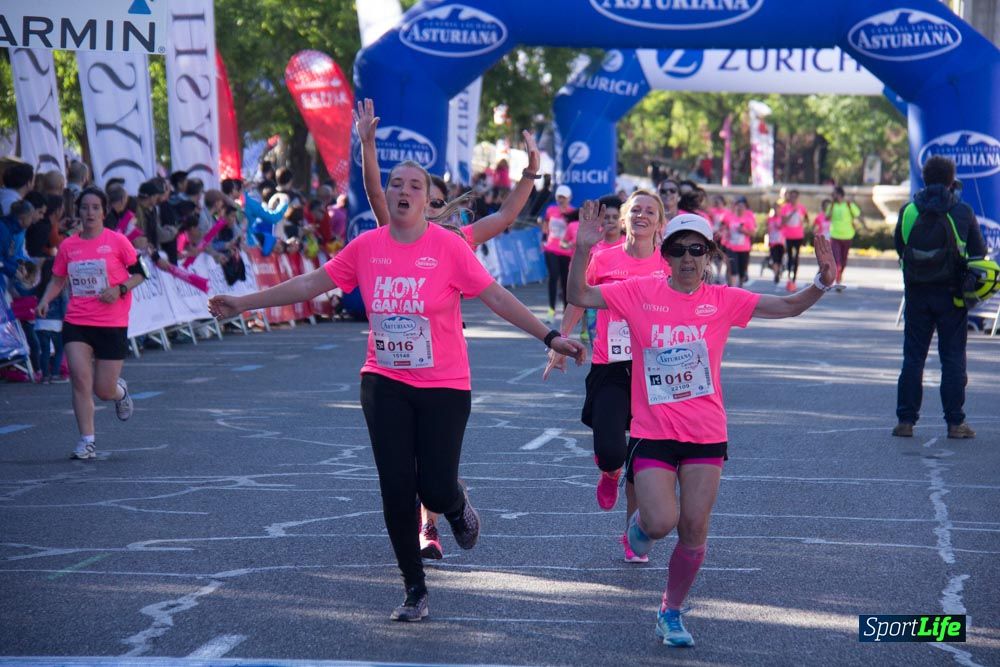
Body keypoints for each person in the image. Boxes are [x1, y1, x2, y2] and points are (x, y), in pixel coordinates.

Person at [209, 103, 586, 623]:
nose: (405, 191)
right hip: (383, 381)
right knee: (395, 488)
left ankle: (453, 505)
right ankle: (414, 587)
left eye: (415, 184)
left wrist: (549, 335)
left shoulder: (451, 246)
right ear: (387, 196)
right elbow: (310, 283)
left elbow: (497, 296)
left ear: (428, 197)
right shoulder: (368, 246)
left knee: (433, 485)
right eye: (396, 183)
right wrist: (244, 302)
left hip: (444, 384)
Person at [568, 204, 837, 648]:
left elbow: (789, 306)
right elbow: (579, 293)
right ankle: (639, 529)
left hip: (706, 434)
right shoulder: (638, 292)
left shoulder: (722, 300)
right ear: (666, 255)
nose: (688, 258)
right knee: (659, 521)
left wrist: (821, 282)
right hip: (654, 432)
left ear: (709, 254)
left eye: (697, 249)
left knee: (693, 528)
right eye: (678, 250)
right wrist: (582, 249)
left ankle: (670, 611)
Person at [543, 190, 670, 563]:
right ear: (626, 218)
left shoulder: (668, 264)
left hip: (655, 368)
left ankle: (634, 531)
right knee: (612, 450)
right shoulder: (603, 258)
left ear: (660, 223)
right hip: (610, 366)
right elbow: (579, 297)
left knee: (642, 459)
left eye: (651, 211)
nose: (642, 216)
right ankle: (608, 471)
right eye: (636, 210)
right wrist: (560, 341)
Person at [37, 187, 145, 460]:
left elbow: (140, 275)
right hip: (78, 320)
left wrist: (119, 289)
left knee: (103, 389)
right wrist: (46, 300)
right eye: (85, 207)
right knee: (80, 379)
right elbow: (58, 279)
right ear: (78, 211)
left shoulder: (118, 241)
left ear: (104, 211)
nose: (90, 213)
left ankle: (119, 392)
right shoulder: (68, 245)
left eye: (95, 207)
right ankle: (87, 440)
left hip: (112, 322)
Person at [892, 156, 986, 440]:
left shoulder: (908, 211)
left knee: (913, 358)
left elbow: (900, 248)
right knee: (953, 359)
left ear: (924, 178)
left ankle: (906, 421)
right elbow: (979, 254)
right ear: (951, 180)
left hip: (917, 295)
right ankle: (955, 423)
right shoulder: (962, 211)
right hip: (952, 297)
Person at [540, 184, 577, 323]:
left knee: (565, 280)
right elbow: (545, 223)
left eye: (564, 198)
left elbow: (575, 230)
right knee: (553, 276)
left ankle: (567, 311)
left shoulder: (573, 212)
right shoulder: (551, 210)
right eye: (559, 197)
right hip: (550, 248)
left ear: (569, 198)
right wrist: (544, 237)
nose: (561, 200)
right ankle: (551, 310)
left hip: (566, 251)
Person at [826, 186, 862, 288]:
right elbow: (827, 217)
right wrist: (831, 206)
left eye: (834, 194)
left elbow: (857, 214)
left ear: (840, 194)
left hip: (847, 235)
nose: (832, 196)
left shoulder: (848, 204)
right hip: (835, 235)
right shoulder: (832, 205)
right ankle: (837, 278)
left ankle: (840, 275)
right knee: (837, 258)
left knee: (843, 259)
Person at [780, 189, 809, 291]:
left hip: (798, 236)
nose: (793, 199)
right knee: (789, 256)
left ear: (797, 198)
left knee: (796, 256)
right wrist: (792, 213)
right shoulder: (785, 208)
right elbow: (783, 222)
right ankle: (788, 276)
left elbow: (806, 219)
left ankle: (794, 278)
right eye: (791, 197)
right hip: (788, 235)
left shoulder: (802, 208)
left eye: (795, 197)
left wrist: (804, 223)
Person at [723, 196, 756, 287]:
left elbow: (753, 234)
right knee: (733, 269)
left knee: (741, 271)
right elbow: (725, 229)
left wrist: (744, 231)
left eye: (742, 206)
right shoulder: (730, 218)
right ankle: (733, 288)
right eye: (738, 206)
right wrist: (724, 234)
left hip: (744, 249)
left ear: (745, 208)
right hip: (731, 248)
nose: (739, 208)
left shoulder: (748, 219)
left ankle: (740, 286)